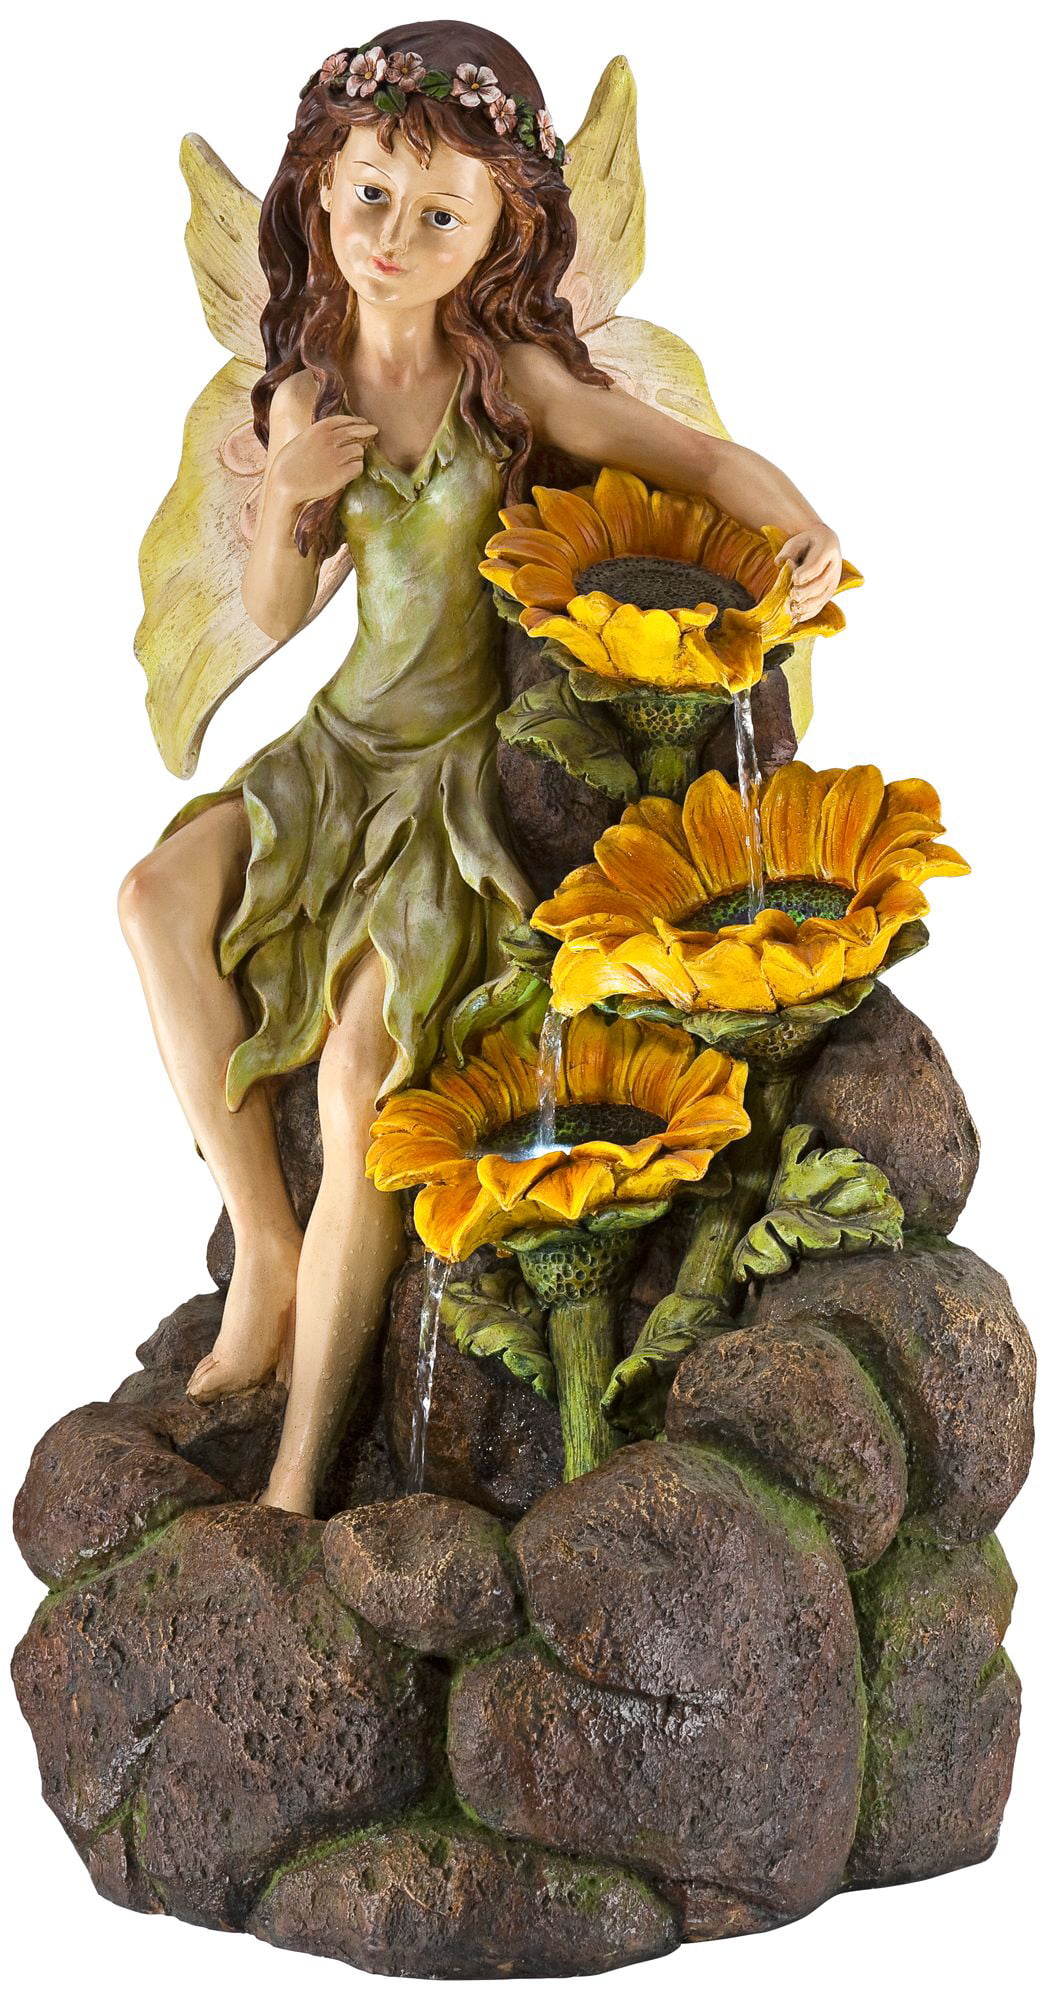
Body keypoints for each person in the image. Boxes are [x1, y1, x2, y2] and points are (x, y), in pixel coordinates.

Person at [118, 21, 843, 1517]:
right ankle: (265, 1247)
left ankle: (301, 1478)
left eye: (439, 214)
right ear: (320, 192)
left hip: (452, 783)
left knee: (358, 1076)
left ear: (501, 230)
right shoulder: (306, 392)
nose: (393, 237)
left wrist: (799, 526)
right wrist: (287, 497)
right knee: (151, 897)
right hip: (340, 755)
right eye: (371, 196)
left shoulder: (506, 381)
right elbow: (275, 617)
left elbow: (696, 460)